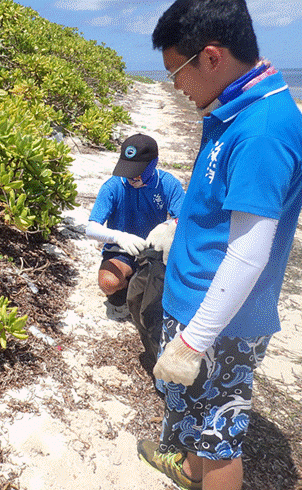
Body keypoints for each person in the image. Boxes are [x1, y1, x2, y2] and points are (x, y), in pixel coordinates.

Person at [137, 2, 302, 490]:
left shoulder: (263, 130)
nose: (176, 87)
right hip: (192, 301)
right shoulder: (234, 106)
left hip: (220, 319)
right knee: (190, 410)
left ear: (211, 57)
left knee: (218, 436)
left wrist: (192, 341)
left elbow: (249, 253)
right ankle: (188, 471)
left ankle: (204, 471)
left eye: (177, 73)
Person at [86, 133, 185, 317]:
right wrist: (119, 237)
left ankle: (144, 285)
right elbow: (91, 228)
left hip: (154, 251)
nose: (132, 177)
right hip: (121, 251)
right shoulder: (112, 186)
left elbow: (185, 219)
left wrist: (165, 225)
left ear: (153, 164)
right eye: (128, 169)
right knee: (108, 283)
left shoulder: (168, 184)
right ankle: (126, 287)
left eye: (138, 170)